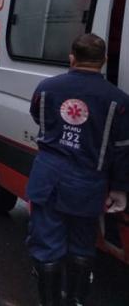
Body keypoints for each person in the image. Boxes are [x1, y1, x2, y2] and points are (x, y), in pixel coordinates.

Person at [26, 33, 129, 306]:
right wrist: (119, 188)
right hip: (88, 184)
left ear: (72, 57)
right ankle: (76, 301)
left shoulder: (46, 88)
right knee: (82, 245)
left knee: (47, 245)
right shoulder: (118, 100)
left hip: (48, 179)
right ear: (104, 61)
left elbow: (38, 116)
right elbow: (121, 149)